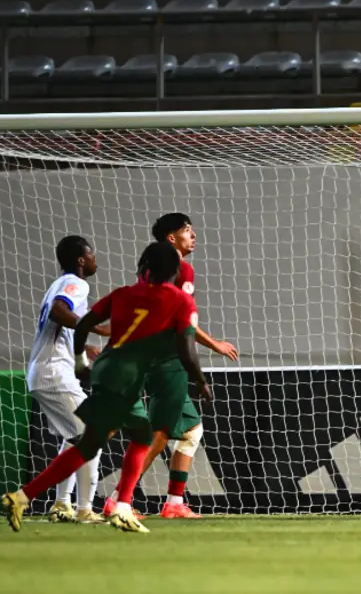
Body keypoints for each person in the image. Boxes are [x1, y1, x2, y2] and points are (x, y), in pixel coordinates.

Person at [2, 242, 210, 533]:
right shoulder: (180, 301)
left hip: (106, 369)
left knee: (120, 438)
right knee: (112, 440)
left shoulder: (122, 294)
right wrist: (200, 381)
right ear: (175, 271)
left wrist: (80, 360)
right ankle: (112, 506)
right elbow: (187, 349)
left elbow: (84, 324)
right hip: (127, 374)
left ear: (145, 267)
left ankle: (26, 498)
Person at [103, 213, 237, 519]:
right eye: (187, 230)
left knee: (191, 430)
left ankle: (174, 502)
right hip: (166, 358)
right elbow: (183, 322)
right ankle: (117, 499)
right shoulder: (182, 269)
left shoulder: (150, 270)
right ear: (171, 238)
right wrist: (213, 346)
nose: (193, 235)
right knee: (160, 432)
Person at [25, 236, 111, 524]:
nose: (95, 259)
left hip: (46, 371)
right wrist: (98, 328)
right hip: (53, 372)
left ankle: (62, 504)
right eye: (92, 254)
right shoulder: (77, 283)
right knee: (92, 434)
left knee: (75, 438)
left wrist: (85, 348)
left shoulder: (58, 284)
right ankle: (84, 509)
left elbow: (59, 325)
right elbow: (58, 311)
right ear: (81, 260)